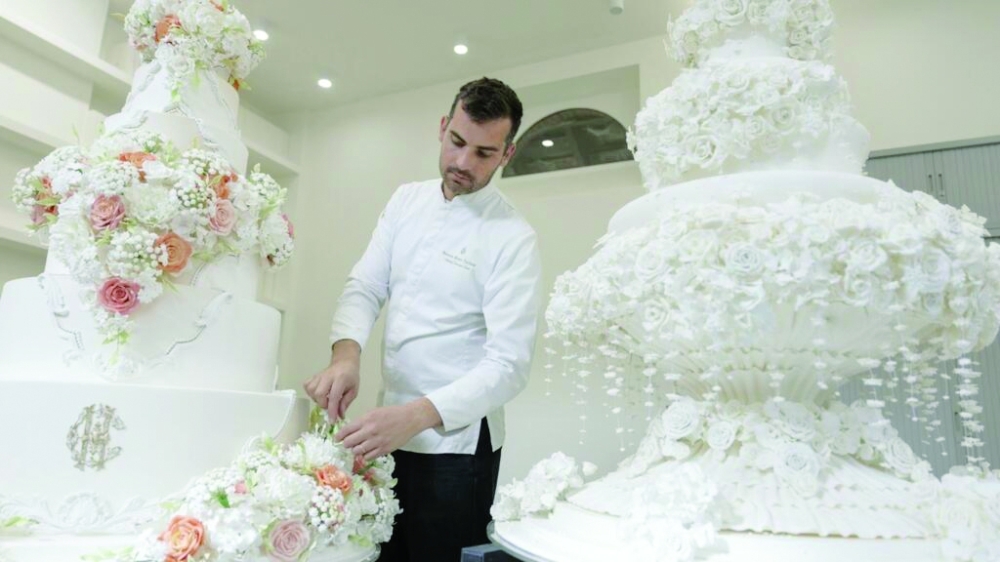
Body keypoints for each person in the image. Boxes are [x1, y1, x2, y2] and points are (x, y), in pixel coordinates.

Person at [304, 77, 542, 561]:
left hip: (455, 454)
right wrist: (345, 357)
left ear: (506, 154)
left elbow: (509, 365)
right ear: (442, 128)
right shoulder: (405, 201)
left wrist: (415, 417)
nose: (462, 163)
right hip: (386, 434)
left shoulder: (513, 237)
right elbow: (366, 285)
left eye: (483, 153)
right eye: (456, 143)